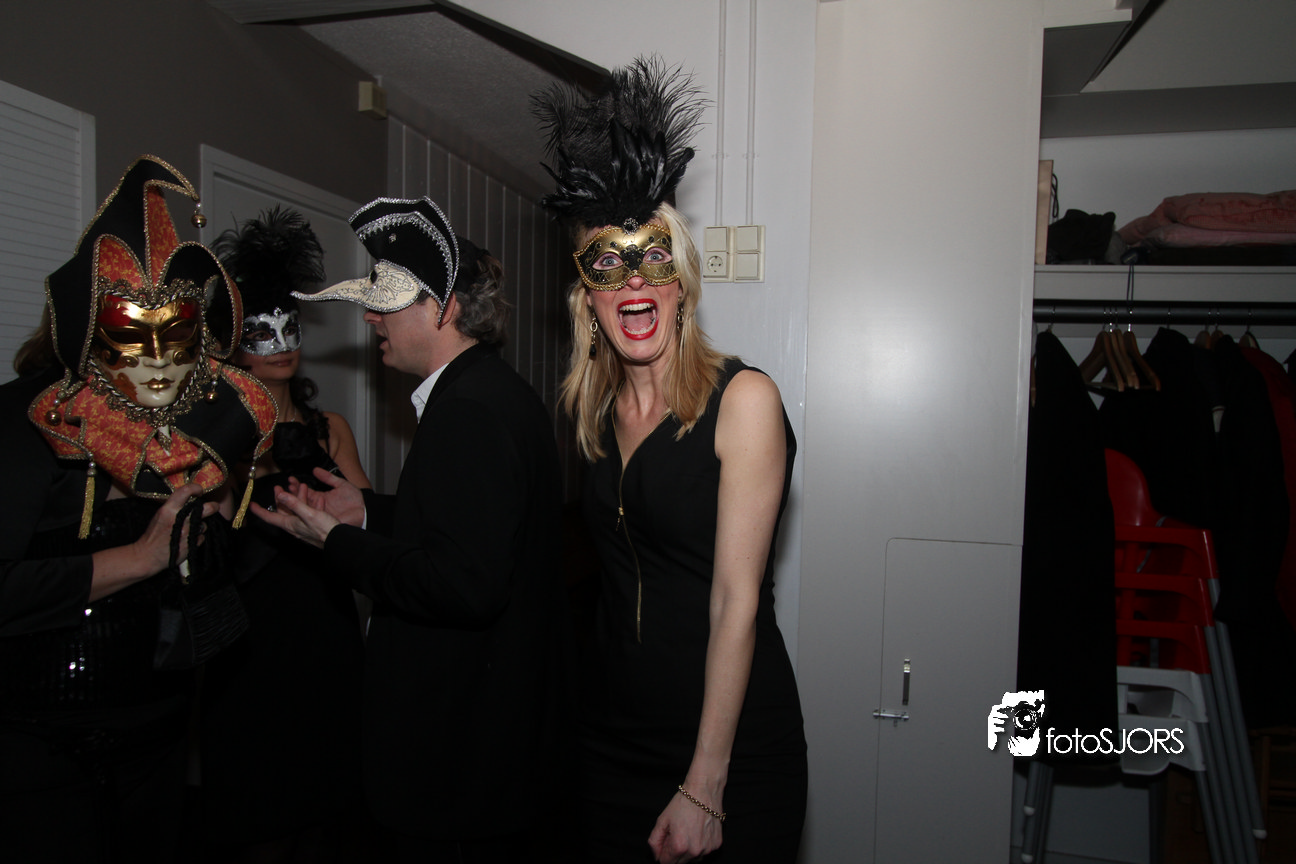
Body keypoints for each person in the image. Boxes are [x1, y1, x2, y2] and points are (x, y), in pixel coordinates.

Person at [533, 56, 808, 863]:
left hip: (726, 752)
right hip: (613, 737)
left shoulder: (743, 401)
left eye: (652, 258)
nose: (633, 283)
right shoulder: (593, 412)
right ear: (588, 299)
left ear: (681, 280)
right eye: (606, 265)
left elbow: (735, 600)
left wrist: (705, 784)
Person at [254, 196, 567, 863]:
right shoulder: (493, 392)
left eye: (386, 302)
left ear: (443, 308)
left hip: (459, 755)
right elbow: (476, 525)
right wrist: (369, 512)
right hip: (491, 743)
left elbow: (463, 585)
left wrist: (336, 543)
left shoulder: (468, 413)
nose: (370, 318)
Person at [0, 155, 275, 862]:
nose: (155, 359)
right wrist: (139, 557)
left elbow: (222, 580)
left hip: (159, 734)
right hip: (39, 747)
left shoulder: (195, 424)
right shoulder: (24, 422)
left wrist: (217, 514)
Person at [199, 207, 370, 862]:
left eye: (289, 325)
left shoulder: (330, 429)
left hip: (323, 626)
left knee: (327, 807)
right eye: (261, 331)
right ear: (233, 344)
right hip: (248, 639)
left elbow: (366, 531)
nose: (281, 341)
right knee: (258, 805)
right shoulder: (214, 439)